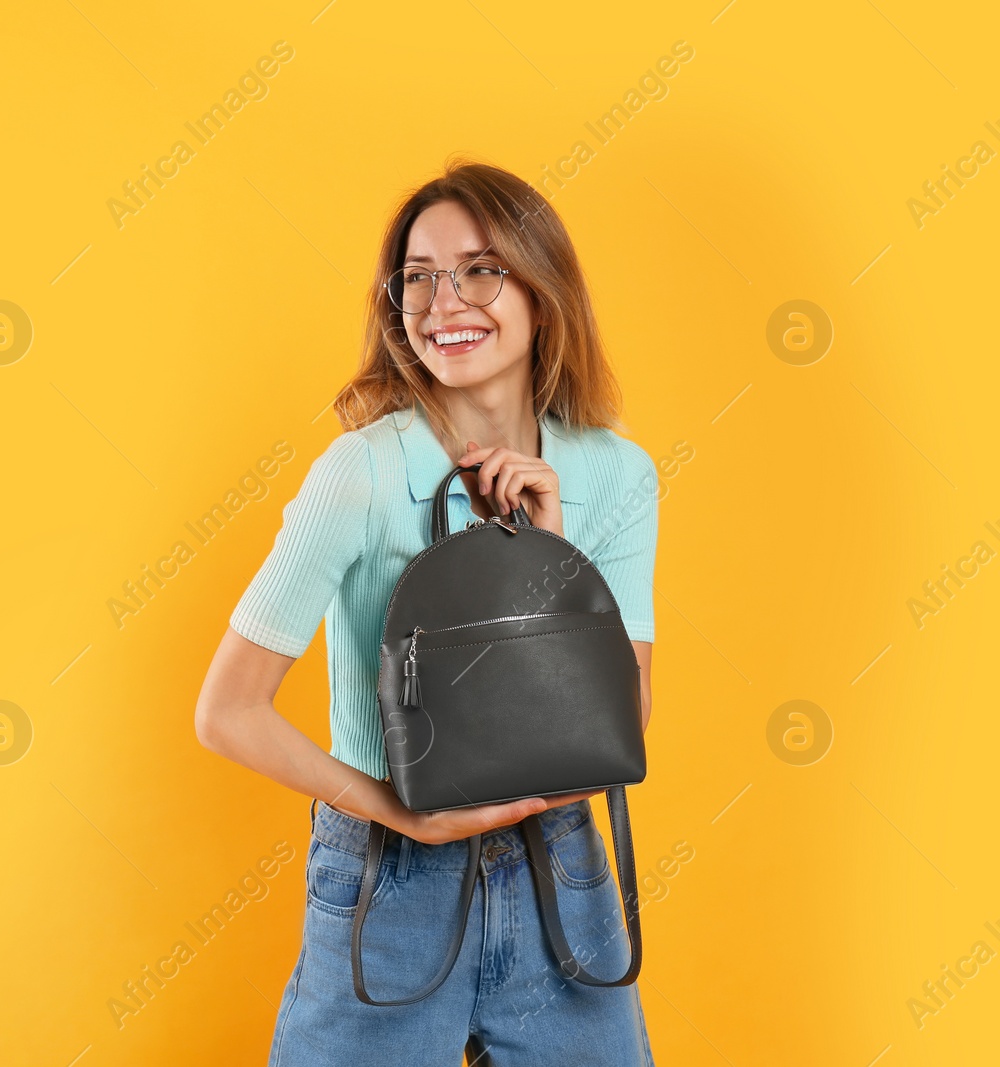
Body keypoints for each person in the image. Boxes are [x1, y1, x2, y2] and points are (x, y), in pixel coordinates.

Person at [194, 158, 659, 1065]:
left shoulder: (615, 474)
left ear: (541, 288)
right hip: (386, 876)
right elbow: (227, 710)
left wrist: (549, 561)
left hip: (561, 872)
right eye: (418, 278)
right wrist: (402, 817)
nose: (445, 303)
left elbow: (623, 725)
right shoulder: (359, 474)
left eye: (480, 269)